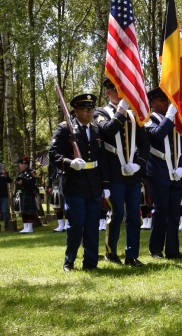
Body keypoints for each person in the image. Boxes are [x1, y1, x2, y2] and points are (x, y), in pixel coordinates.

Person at [49, 93, 109, 271]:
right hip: (74, 184)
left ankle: (90, 262)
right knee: (76, 225)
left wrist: (105, 185)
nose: (90, 112)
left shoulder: (97, 129)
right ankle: (69, 261)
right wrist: (69, 163)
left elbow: (102, 159)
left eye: (91, 109)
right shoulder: (64, 129)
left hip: (93, 184)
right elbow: (53, 154)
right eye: (85, 109)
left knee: (92, 225)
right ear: (75, 111)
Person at [94, 78, 150, 266]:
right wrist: (122, 109)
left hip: (132, 173)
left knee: (134, 214)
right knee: (117, 213)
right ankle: (111, 252)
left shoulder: (134, 115)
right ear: (108, 92)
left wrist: (138, 164)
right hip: (113, 173)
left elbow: (144, 143)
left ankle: (132, 255)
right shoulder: (100, 113)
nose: (121, 94)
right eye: (117, 90)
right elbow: (109, 130)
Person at [145, 87, 182, 259]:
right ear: (153, 103)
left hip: (176, 171)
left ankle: (172, 249)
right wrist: (170, 116)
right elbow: (157, 135)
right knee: (160, 210)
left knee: (174, 211)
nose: (167, 104)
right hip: (158, 170)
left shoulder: (176, 120)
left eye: (168, 100)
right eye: (162, 101)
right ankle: (155, 249)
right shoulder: (148, 119)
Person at [16, 156, 38, 233]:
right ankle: (25, 227)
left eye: (21, 164)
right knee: (23, 211)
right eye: (19, 165)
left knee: (29, 211)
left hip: (29, 193)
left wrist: (24, 182)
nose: (20, 166)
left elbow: (34, 182)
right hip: (22, 194)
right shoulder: (20, 174)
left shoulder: (31, 172)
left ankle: (30, 227)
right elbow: (17, 184)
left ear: (26, 165)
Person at [47, 163, 67, 232]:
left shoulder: (63, 160)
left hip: (64, 185)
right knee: (57, 206)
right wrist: (49, 186)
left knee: (65, 206)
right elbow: (49, 175)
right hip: (55, 186)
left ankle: (67, 224)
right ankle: (61, 225)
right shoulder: (51, 164)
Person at [0, 163, 12, 232]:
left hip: (4, 196)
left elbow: (9, 181)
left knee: (5, 211)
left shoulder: (4, 173)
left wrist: (5, 174)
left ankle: (7, 226)